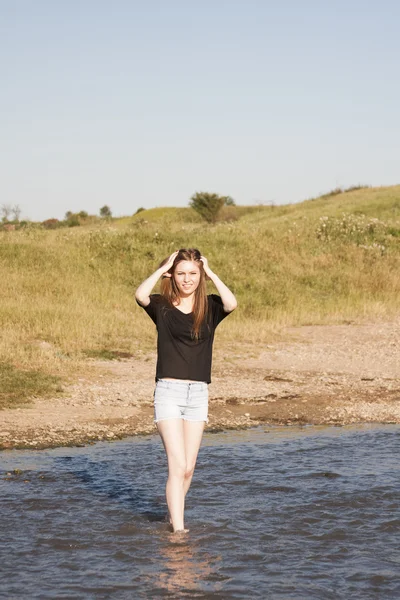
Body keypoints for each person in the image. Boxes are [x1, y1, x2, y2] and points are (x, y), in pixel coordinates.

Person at [135, 248, 237, 533]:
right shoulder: (162, 306)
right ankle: (179, 533)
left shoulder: (211, 307)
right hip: (168, 392)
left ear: (200, 275)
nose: (187, 279)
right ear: (173, 275)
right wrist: (161, 269)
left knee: (189, 468)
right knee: (177, 465)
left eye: (193, 273)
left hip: (198, 395)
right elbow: (140, 295)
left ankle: (173, 514)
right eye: (181, 273)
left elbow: (232, 304)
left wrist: (212, 273)